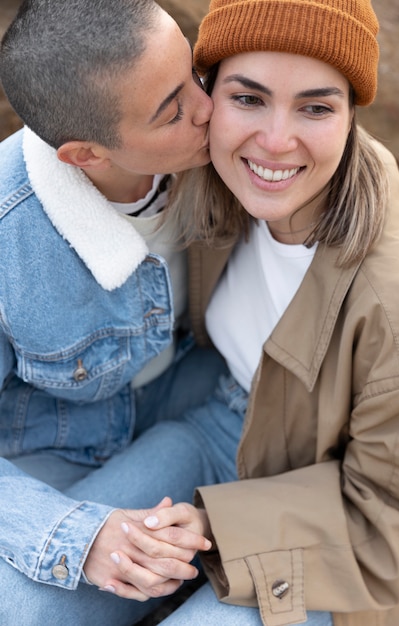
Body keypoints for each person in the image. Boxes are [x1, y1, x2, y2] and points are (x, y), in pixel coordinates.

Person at [110, 0, 399, 624]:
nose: (276, 141)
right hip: (221, 420)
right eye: (248, 98)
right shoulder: (210, 173)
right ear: (206, 98)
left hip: (331, 519)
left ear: (351, 115)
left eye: (315, 106)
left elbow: (393, 527)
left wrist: (216, 525)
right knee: (30, 594)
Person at [0, 0, 228, 624]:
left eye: (193, 74)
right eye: (173, 111)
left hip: (196, 415)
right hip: (54, 451)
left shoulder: (235, 146)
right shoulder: (5, 233)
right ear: (85, 156)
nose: (209, 109)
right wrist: (83, 539)